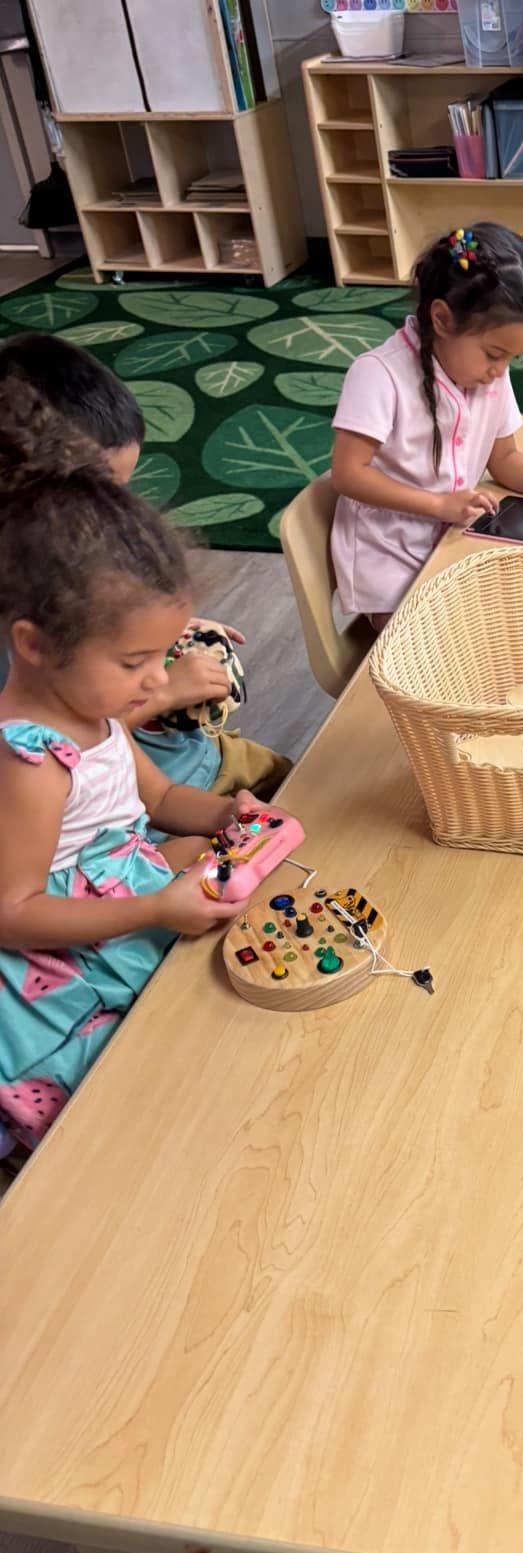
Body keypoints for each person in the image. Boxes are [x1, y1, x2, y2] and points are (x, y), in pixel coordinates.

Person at [0, 384, 252, 1157]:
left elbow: (162, 796)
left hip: (127, 897)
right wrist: (151, 911)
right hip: (62, 975)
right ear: (35, 644)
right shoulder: (31, 762)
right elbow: (13, 912)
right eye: (135, 661)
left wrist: (222, 815)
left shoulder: (98, 711)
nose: (155, 681)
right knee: (132, 1111)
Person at [0, 331, 291, 799]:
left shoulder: (69, 555)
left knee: (309, 791)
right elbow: (65, 746)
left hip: (194, 760)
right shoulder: (22, 622)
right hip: (139, 806)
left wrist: (146, 633)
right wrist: (166, 692)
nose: (118, 507)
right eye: (100, 491)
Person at [330, 223, 523, 625]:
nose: (499, 372)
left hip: (456, 542)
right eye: (493, 354)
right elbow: (346, 474)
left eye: (511, 359)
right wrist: (438, 505)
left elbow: (505, 458)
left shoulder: (485, 376)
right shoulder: (379, 375)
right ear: (442, 319)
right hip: (392, 567)